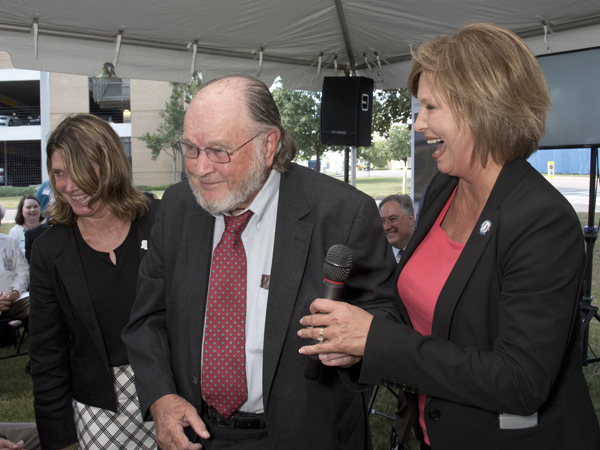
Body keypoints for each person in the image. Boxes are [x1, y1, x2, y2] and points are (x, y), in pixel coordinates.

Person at [298, 23, 600, 450]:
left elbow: (520, 381)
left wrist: (378, 340)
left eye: (431, 107)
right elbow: (423, 313)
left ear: (483, 107)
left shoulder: (542, 220)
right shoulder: (444, 188)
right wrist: (361, 342)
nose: (419, 123)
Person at [122, 75, 400, 450]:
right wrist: (161, 399)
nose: (200, 168)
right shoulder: (176, 208)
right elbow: (147, 320)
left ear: (268, 145)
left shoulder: (342, 213)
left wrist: (353, 345)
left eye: (219, 150)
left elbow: (385, 317)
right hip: (198, 434)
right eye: (190, 148)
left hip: (308, 437)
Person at [28, 113, 160, 450]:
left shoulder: (160, 223)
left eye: (82, 171)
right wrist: (57, 439)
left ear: (110, 164)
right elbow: (47, 352)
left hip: (172, 393)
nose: (70, 186)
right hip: (100, 409)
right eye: (59, 173)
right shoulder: (50, 250)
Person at [0, 204, 30, 323]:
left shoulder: (10, 242)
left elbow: (23, 270)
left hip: (14, 299)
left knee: (41, 304)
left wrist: (16, 292)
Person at [379, 194, 415, 263]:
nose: (386, 227)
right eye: (382, 221)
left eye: (392, 219)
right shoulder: (376, 256)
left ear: (410, 219)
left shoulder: (429, 247)